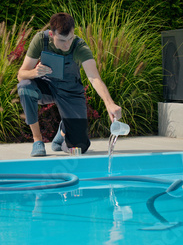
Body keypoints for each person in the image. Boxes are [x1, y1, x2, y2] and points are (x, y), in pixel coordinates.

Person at [17, 13, 122, 156]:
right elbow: (21, 74)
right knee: (25, 87)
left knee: (78, 149)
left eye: (70, 39)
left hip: (71, 92)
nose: (67, 45)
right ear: (51, 34)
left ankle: (63, 133)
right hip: (46, 87)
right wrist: (35, 72)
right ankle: (37, 141)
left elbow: (94, 77)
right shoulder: (41, 40)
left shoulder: (79, 47)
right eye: (62, 40)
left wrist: (109, 103)